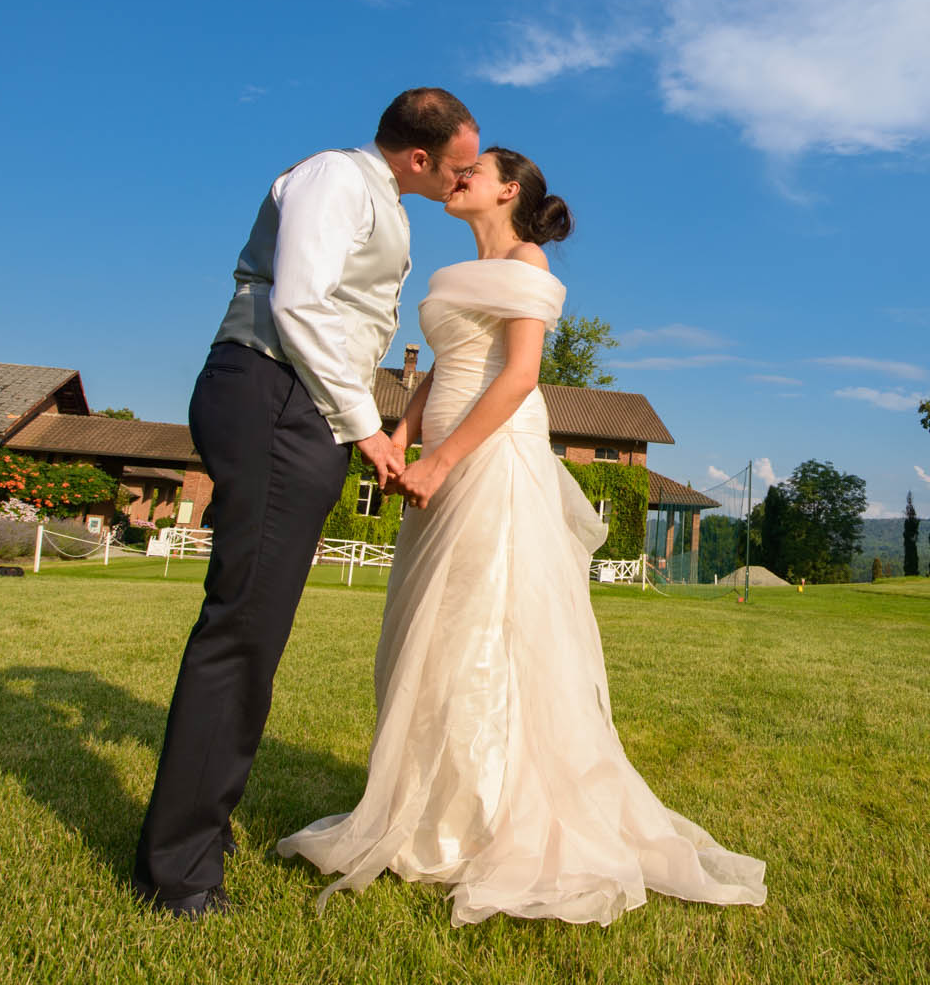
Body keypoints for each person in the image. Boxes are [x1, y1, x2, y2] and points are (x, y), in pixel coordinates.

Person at [277, 147, 767, 925]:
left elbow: (518, 375)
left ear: (509, 190)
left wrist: (440, 460)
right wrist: (402, 431)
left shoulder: (528, 256)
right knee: (430, 632)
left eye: (478, 167)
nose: (459, 172)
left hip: (492, 459)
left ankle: (486, 819)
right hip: (437, 459)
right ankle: (432, 804)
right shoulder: (457, 269)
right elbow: (442, 367)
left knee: (486, 629)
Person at [132, 87, 480, 919]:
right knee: (244, 626)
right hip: (273, 391)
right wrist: (367, 430)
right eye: (461, 165)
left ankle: (197, 836)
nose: (465, 179)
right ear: (421, 156)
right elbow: (299, 303)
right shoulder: (336, 177)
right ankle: (176, 872)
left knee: (260, 623)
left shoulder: (384, 201)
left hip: (308, 409)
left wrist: (361, 426)